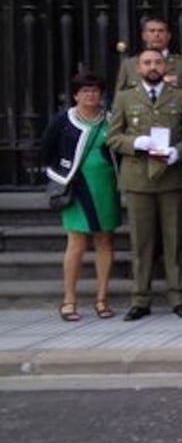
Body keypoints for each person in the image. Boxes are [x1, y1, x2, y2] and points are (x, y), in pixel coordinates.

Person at [106, 49, 182, 320]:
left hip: (171, 178)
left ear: (165, 65)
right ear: (138, 68)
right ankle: (140, 299)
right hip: (138, 178)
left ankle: (179, 296)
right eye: (147, 62)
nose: (153, 66)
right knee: (142, 242)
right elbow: (113, 137)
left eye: (158, 62)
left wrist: (178, 151)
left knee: (174, 240)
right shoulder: (125, 98)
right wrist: (135, 143)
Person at [42, 72, 121, 321]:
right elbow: (47, 150)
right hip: (76, 186)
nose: (90, 95)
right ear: (75, 95)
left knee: (105, 240)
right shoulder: (62, 121)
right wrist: (61, 173)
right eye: (85, 91)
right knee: (76, 242)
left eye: (95, 91)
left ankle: (102, 298)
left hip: (106, 186)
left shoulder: (111, 120)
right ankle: (69, 299)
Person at [113, 16, 182, 95]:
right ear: (144, 36)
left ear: (169, 36)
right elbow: (119, 97)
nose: (156, 35)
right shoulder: (128, 65)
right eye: (152, 31)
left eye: (161, 31)